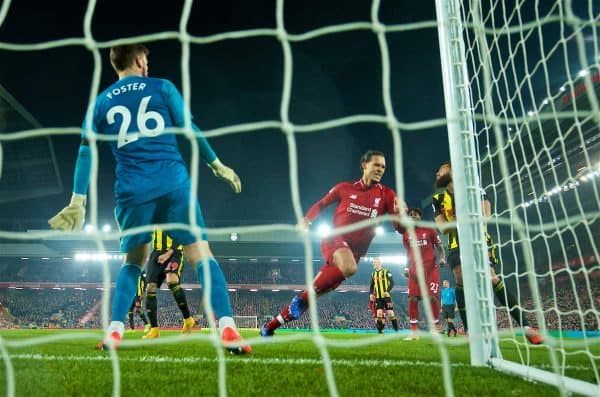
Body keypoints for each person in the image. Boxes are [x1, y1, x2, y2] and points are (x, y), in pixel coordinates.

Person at [48, 44, 250, 354]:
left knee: (132, 262)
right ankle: (227, 328)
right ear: (141, 60)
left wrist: (78, 200)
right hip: (173, 183)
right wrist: (217, 164)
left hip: (131, 191)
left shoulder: (100, 103)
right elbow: (189, 128)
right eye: (147, 60)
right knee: (202, 256)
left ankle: (114, 332)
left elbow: (86, 150)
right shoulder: (162, 86)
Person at [260, 150, 401, 336]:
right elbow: (321, 204)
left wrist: (402, 215)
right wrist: (306, 219)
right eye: (376, 164)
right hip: (334, 240)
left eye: (383, 166)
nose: (381, 169)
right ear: (364, 165)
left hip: (354, 254)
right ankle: (301, 300)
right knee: (349, 268)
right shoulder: (344, 188)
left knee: (311, 296)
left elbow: (400, 227)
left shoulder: (387, 195)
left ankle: (269, 327)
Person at [432, 162, 541, 344]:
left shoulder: (474, 189)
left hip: (479, 240)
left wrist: (463, 217)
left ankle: (526, 326)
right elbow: (442, 228)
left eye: (440, 170)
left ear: (452, 170)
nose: (437, 173)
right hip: (456, 244)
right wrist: (461, 219)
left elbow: (486, 214)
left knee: (492, 278)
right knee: (460, 278)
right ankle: (468, 330)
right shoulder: (438, 199)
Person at [401, 207, 445, 340]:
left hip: (430, 269)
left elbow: (440, 247)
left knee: (432, 298)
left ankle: (435, 329)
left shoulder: (429, 229)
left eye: (415, 214)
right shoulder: (406, 235)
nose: (413, 216)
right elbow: (408, 254)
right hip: (414, 271)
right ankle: (414, 333)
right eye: (410, 214)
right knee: (412, 299)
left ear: (420, 216)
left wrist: (442, 258)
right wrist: (406, 267)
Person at [143, 228, 195, 338]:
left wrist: (168, 254)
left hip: (174, 252)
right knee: (150, 287)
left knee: (172, 280)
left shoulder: (175, 212)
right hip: (156, 252)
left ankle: (188, 319)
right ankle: (154, 330)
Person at [369, 257, 399, 333]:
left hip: (386, 297)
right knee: (379, 313)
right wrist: (371, 294)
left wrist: (387, 291)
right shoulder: (373, 274)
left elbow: (392, 282)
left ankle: (396, 330)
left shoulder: (386, 271)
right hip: (378, 297)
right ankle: (380, 331)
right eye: (373, 263)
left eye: (375, 262)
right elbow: (372, 286)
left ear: (379, 263)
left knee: (390, 313)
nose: (373, 264)